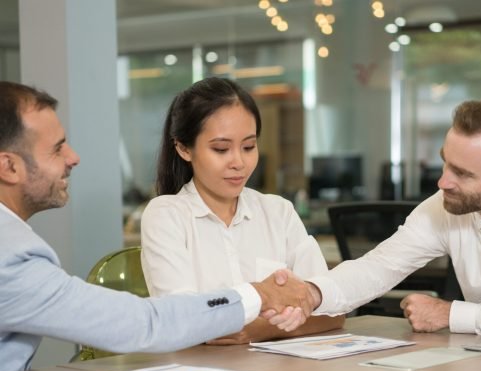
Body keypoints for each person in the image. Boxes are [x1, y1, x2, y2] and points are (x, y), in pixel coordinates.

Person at [0, 81, 315, 371]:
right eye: (58, 148)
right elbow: (146, 325)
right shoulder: (11, 260)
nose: (74, 158)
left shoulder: (277, 210)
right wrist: (260, 295)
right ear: (8, 167)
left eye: (248, 146)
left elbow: (331, 305)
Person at [273, 96, 481, 337]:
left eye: (462, 174)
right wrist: (312, 293)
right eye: (445, 163)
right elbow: (379, 267)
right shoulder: (445, 207)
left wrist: (450, 314)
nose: (443, 182)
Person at [140, 77, 344, 345]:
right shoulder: (166, 216)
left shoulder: (278, 212)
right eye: (221, 149)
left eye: (249, 146)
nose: (239, 162)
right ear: (183, 148)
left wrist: (255, 330)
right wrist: (275, 314)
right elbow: (184, 320)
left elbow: (333, 313)